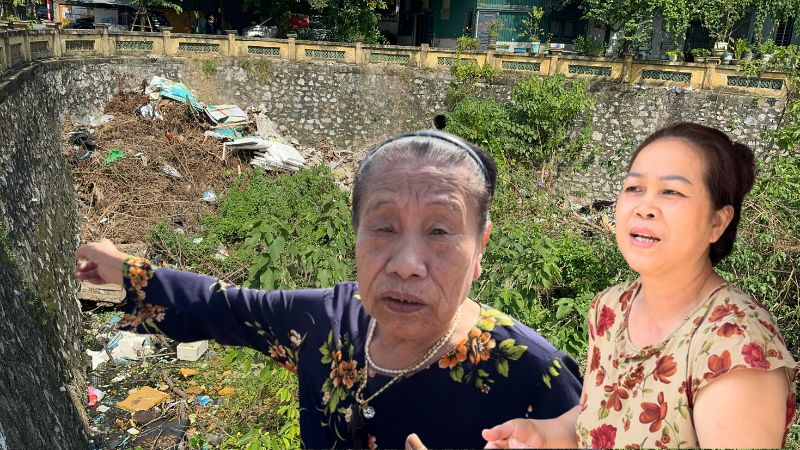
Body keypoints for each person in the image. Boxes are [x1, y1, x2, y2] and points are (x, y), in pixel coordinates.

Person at [75, 130, 582, 449]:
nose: (407, 265)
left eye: (441, 231)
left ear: (480, 248)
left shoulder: (536, 378)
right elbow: (224, 308)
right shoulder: (329, 321)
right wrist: (126, 270)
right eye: (383, 227)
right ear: (356, 232)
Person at [483, 122, 798, 449]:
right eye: (634, 188)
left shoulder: (735, 346)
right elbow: (599, 420)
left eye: (671, 192)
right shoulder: (611, 309)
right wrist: (542, 436)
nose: (644, 207)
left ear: (717, 223)